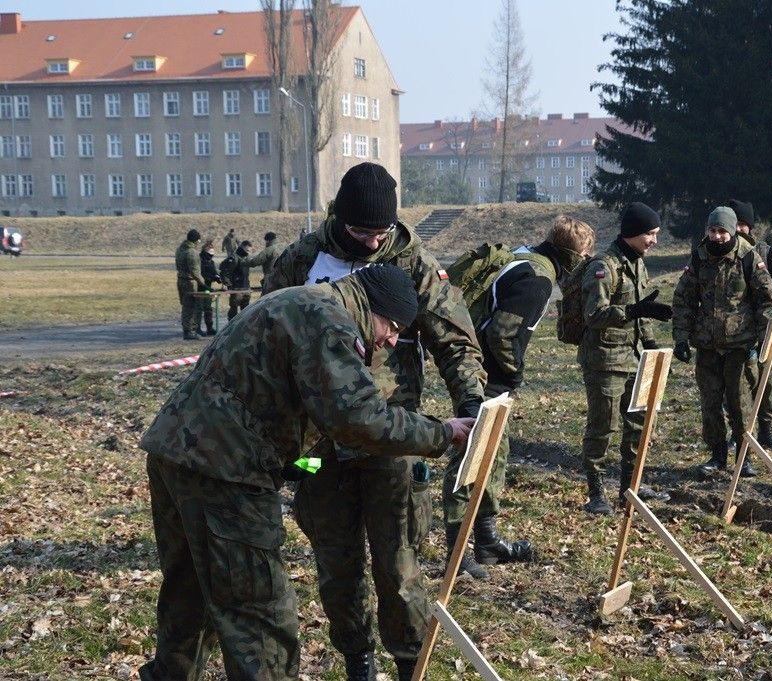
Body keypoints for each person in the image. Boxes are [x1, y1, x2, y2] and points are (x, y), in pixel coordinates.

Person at [138, 264, 475, 681]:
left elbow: (290, 415)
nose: (390, 340)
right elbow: (358, 420)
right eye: (392, 327)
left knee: (189, 598)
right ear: (372, 308)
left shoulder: (299, 300)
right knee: (261, 617)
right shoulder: (330, 322)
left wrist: (300, 467)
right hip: (225, 472)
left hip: (175, 454)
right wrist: (443, 432)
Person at [264, 162, 486, 680]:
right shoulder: (299, 261)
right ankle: (357, 660)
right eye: (362, 232)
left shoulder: (411, 262)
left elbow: (453, 339)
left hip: (395, 438)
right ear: (339, 218)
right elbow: (269, 339)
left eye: (381, 233)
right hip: (317, 449)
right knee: (336, 562)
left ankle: (409, 661)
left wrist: (472, 402)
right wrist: (285, 448)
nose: (372, 242)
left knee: (399, 563)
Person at [442, 215, 596, 578]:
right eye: (586, 255)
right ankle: (456, 554)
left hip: (481, 369)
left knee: (496, 455)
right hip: (486, 376)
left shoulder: (524, 256)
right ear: (572, 258)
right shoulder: (538, 279)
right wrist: (513, 372)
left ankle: (487, 541)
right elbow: (502, 333)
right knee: (472, 459)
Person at [578, 202, 673, 516]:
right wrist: (633, 311)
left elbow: (642, 310)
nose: (654, 240)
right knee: (602, 428)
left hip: (636, 359)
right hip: (605, 361)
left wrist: (652, 346)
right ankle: (596, 493)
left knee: (639, 425)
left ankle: (630, 486)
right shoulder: (604, 266)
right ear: (633, 232)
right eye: (650, 233)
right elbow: (593, 315)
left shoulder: (638, 262)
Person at [672, 206, 772, 475]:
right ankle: (717, 455)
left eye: (722, 231)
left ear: (731, 231)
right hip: (706, 345)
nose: (717, 236)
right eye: (712, 230)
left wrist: (764, 339)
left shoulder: (748, 258)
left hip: (739, 346)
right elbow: (683, 299)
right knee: (710, 403)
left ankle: (745, 458)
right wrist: (681, 338)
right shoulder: (698, 258)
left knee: (739, 403)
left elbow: (767, 300)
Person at [729, 200, 772, 451]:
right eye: (735, 225)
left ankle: (766, 430)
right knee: (735, 387)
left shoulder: (765, 252)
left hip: (765, 330)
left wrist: (760, 301)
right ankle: (738, 434)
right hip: (733, 333)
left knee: (766, 381)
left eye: (743, 225)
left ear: (750, 227)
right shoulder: (720, 253)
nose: (738, 230)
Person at [174, 229, 204, 340]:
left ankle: (187, 330)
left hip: (180, 280)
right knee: (191, 306)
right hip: (189, 282)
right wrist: (203, 284)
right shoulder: (192, 253)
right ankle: (190, 331)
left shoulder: (179, 250)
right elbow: (195, 271)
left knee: (185, 306)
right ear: (196, 240)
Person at [219, 240, 255, 320]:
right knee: (233, 311)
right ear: (242, 248)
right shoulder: (234, 258)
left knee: (246, 312)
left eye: (250, 251)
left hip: (246, 288)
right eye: (247, 250)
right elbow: (225, 272)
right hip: (236, 289)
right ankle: (231, 329)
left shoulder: (246, 257)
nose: (249, 253)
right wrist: (229, 285)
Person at [198, 239, 221, 337]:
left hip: (208, 288)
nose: (211, 255)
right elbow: (201, 274)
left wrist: (217, 277)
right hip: (199, 288)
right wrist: (211, 277)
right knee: (198, 309)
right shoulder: (200, 261)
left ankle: (209, 328)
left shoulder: (210, 262)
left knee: (208, 308)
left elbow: (214, 272)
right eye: (209, 253)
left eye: (213, 253)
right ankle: (197, 328)